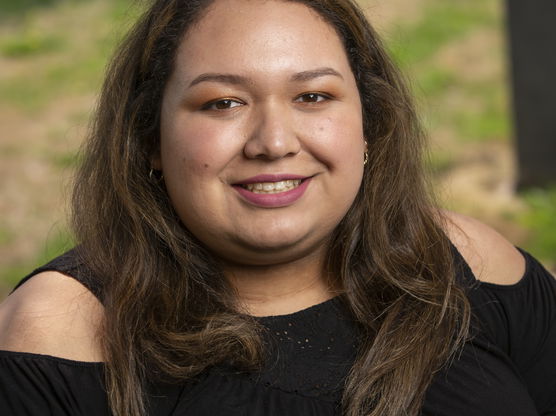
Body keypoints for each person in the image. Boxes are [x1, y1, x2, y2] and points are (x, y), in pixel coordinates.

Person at [0, 0, 554, 415]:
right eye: (223, 103)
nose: (273, 142)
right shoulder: (58, 334)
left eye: (313, 96)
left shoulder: (465, 261)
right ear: (150, 139)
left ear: (369, 124)